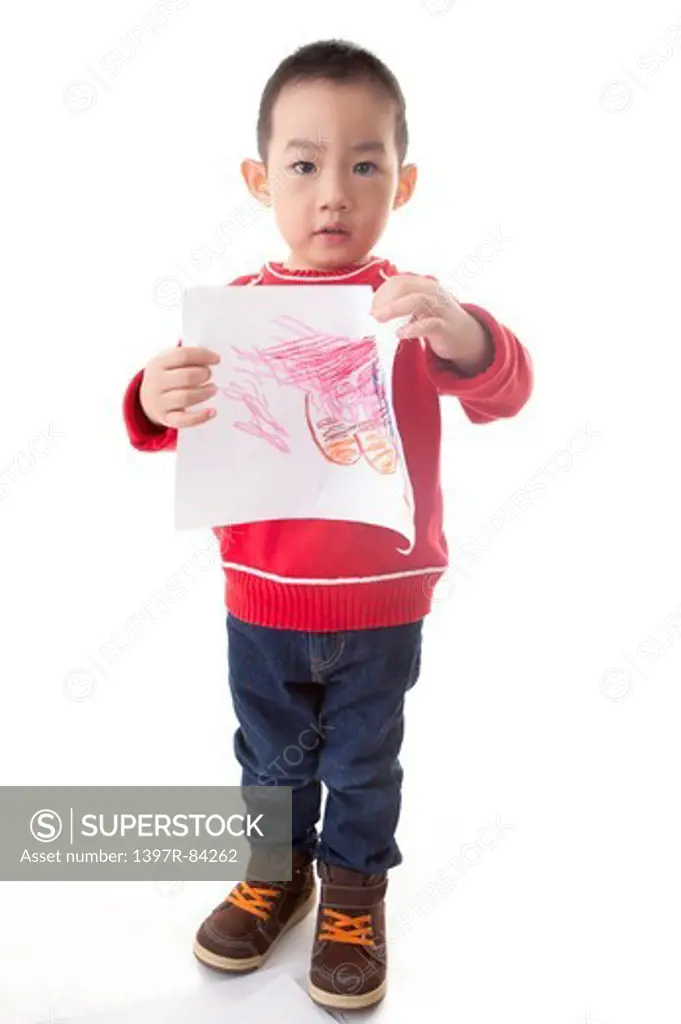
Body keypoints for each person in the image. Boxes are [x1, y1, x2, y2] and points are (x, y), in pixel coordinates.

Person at [122, 38, 533, 1012]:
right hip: (261, 599)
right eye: (304, 165)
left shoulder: (411, 312)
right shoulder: (234, 316)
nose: (334, 194)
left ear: (405, 179)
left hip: (381, 608)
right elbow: (161, 419)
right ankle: (279, 871)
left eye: (365, 165)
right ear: (261, 178)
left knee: (362, 757)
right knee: (265, 752)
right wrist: (150, 391)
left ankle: (354, 887)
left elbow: (502, 390)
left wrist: (465, 331)